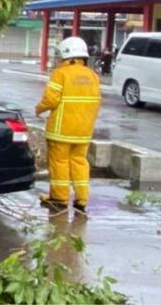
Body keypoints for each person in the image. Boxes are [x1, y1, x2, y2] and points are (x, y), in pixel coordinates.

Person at [35, 36, 101, 215]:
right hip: (83, 131)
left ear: (65, 54)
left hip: (61, 131)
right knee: (80, 163)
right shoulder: (93, 76)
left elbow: (51, 99)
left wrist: (39, 109)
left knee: (59, 163)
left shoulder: (61, 73)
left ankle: (59, 199)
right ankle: (81, 200)